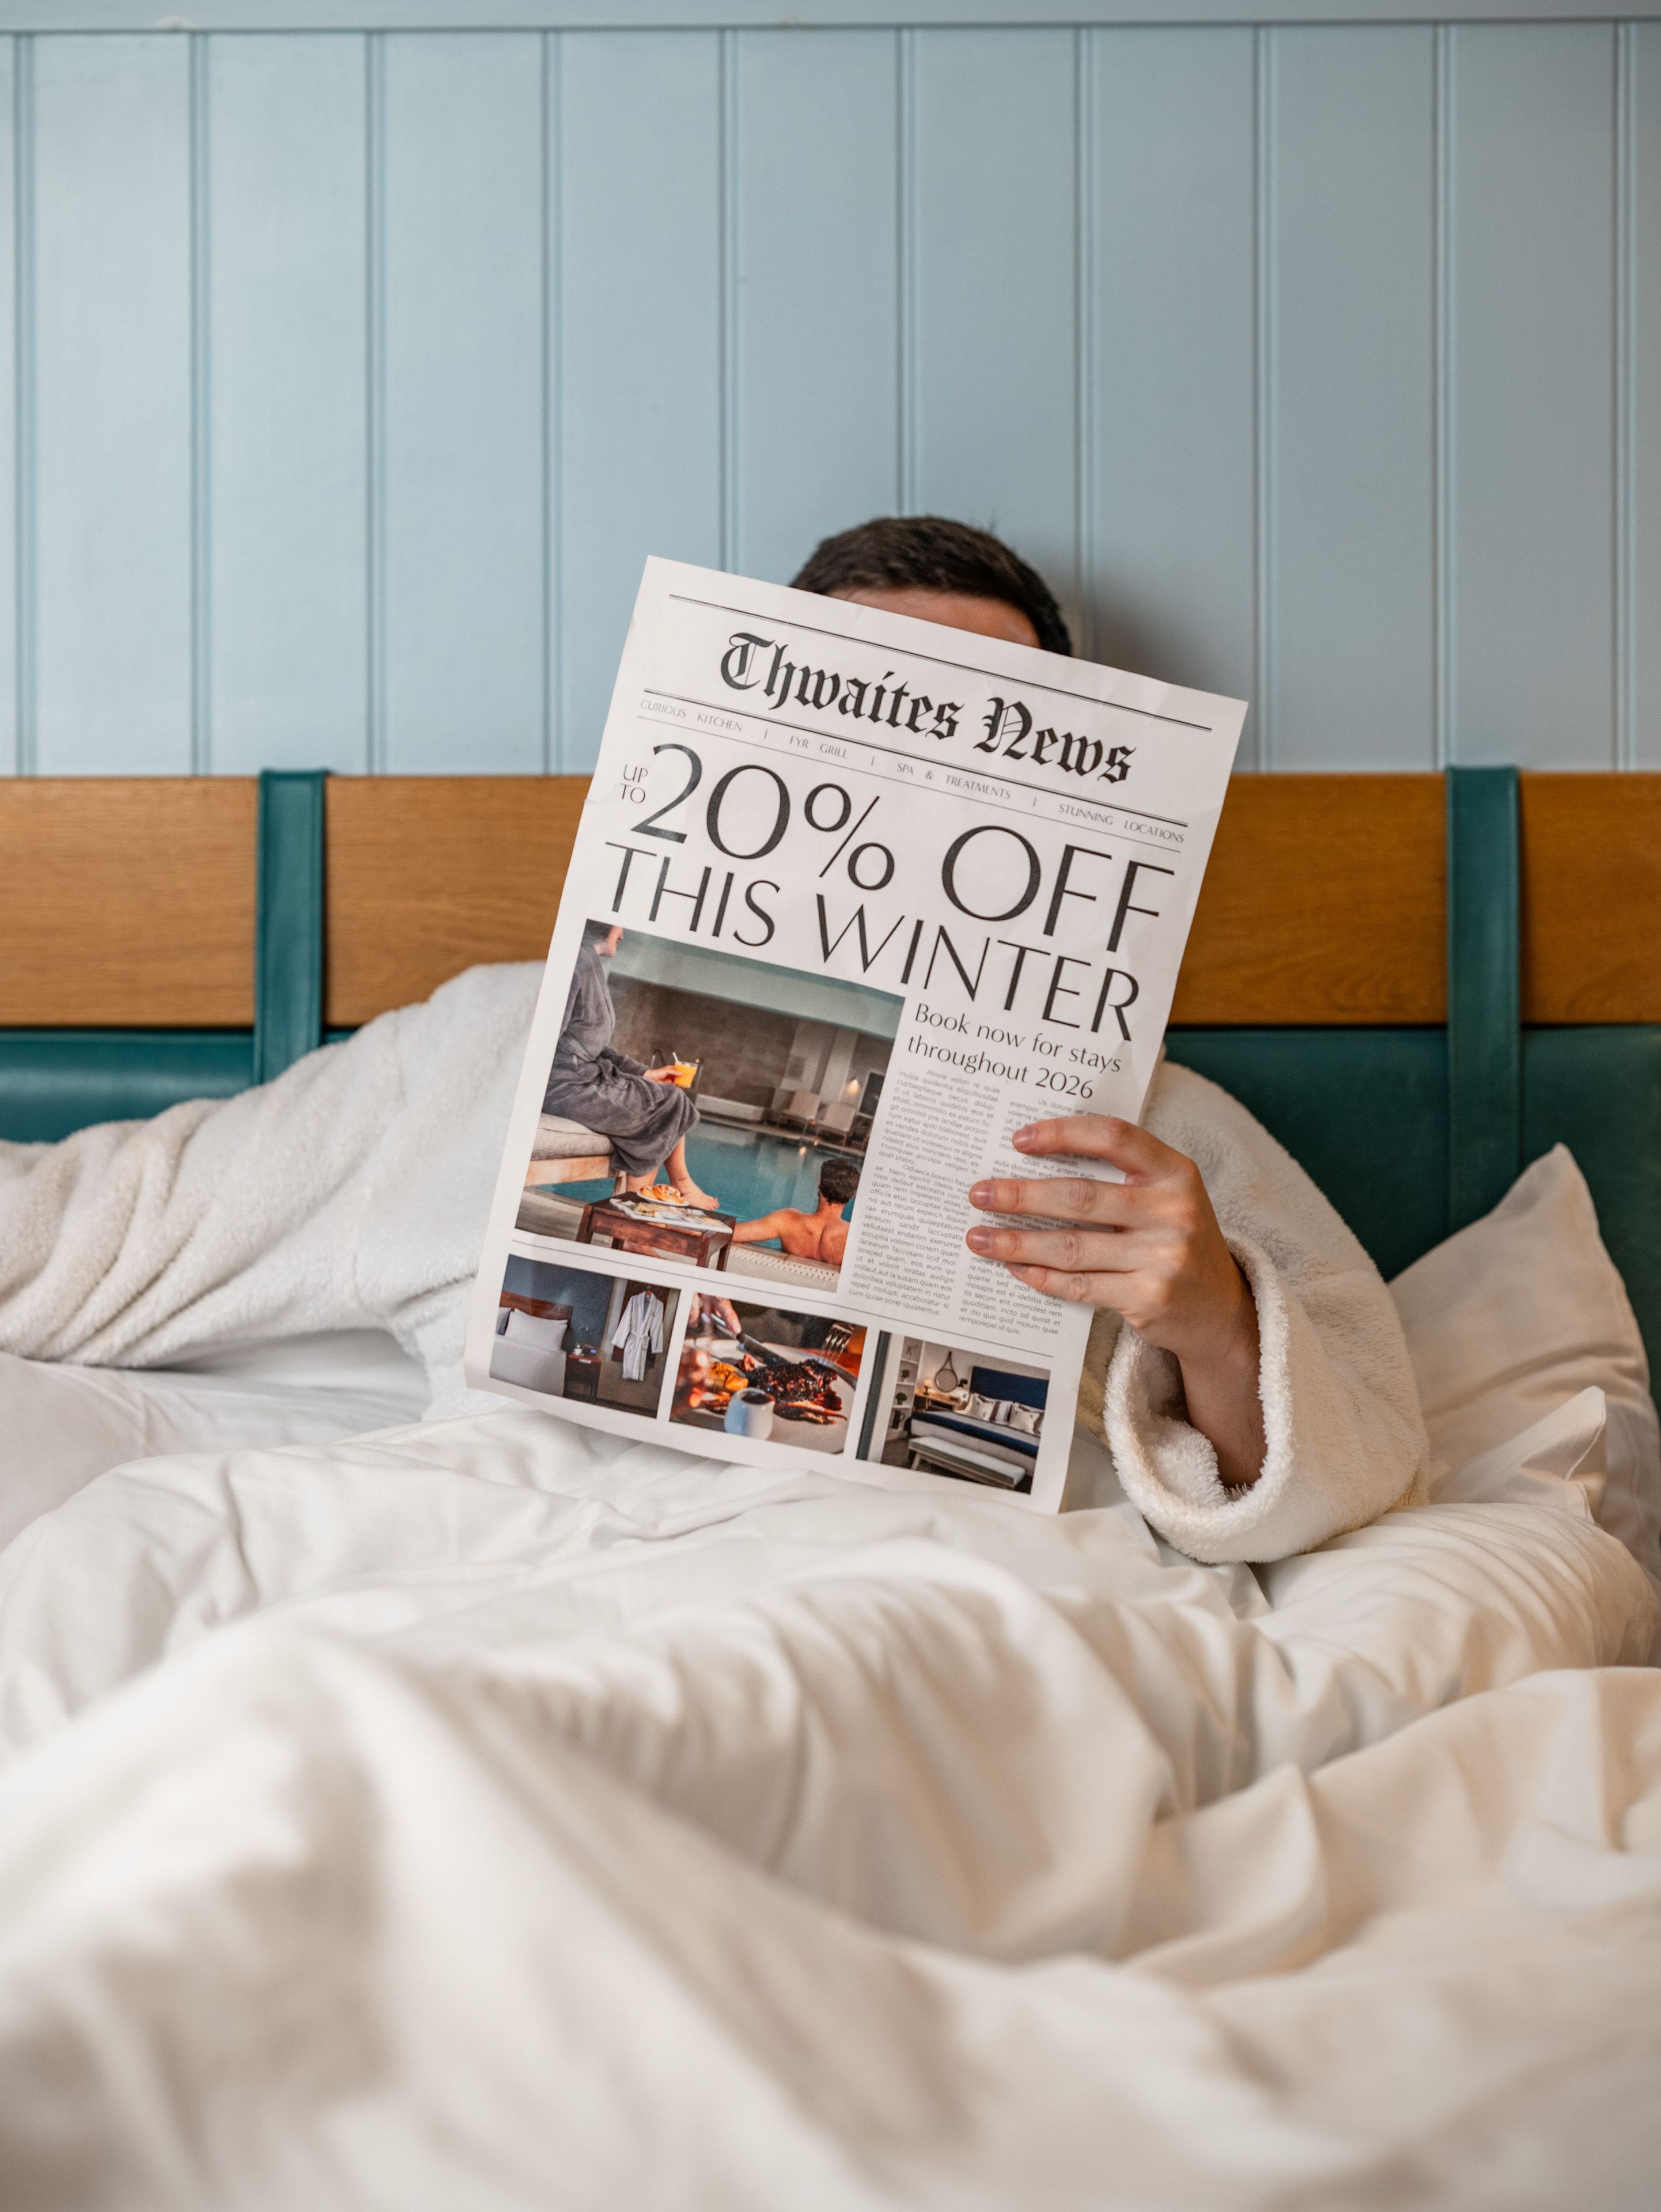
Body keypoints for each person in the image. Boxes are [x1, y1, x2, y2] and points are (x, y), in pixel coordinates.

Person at [792, 516, 1429, 1563]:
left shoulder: (1169, 1133)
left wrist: (1223, 1327)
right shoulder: (504, 1032)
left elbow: (1361, 1469)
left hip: (963, 1579)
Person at [534, 919, 720, 1209]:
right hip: (563, 1086)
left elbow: (588, 1044)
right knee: (662, 1110)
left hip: (581, 1078)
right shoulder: (574, 963)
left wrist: (646, 1073)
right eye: (620, 926)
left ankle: (658, 1200)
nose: (622, 935)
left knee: (672, 1098)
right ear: (603, 926)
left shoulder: (587, 963)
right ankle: (649, 1208)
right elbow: (542, 1039)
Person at [732, 1157, 860, 1269]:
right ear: (852, 1195)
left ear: (820, 1184)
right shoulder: (854, 1239)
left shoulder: (787, 1220)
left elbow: (732, 1234)